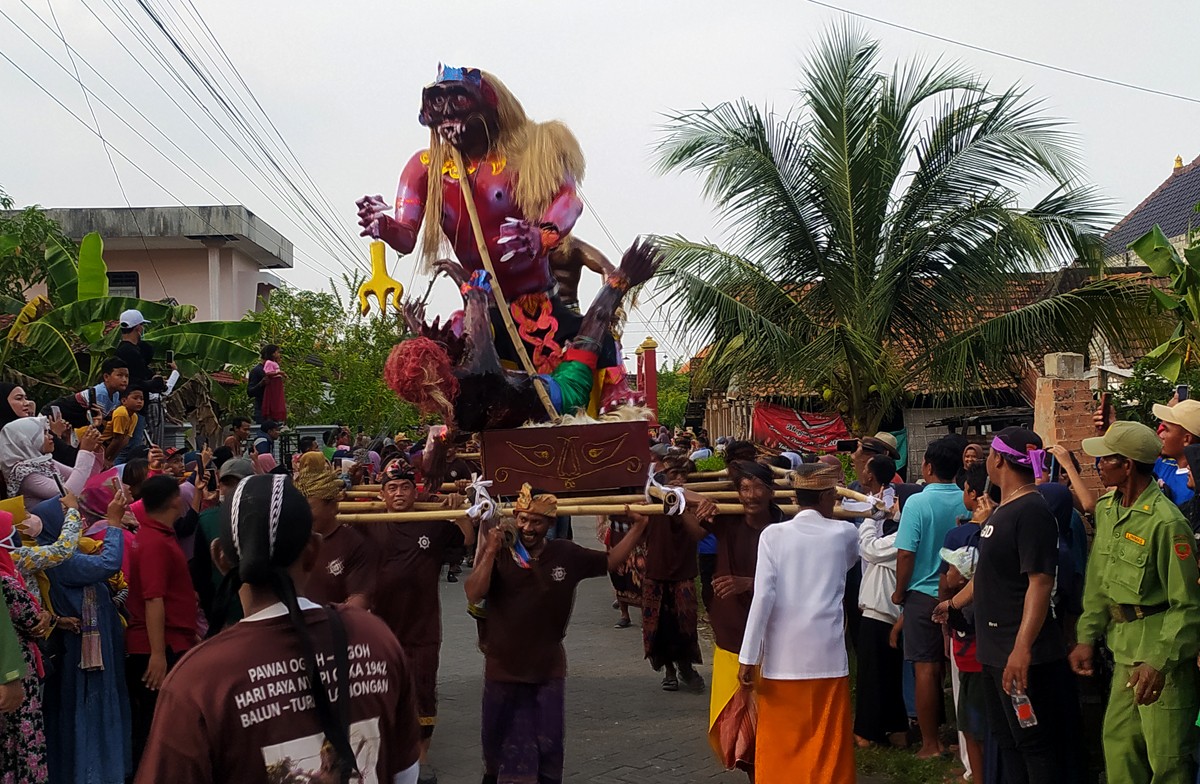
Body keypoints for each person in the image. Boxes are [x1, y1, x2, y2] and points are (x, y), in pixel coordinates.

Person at [135, 473, 422, 783]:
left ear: (221, 559)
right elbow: (405, 774)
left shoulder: (198, 681)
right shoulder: (376, 639)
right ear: (314, 551)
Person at [465, 485, 651, 784]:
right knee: (498, 744)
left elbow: (610, 561)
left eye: (537, 522)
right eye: (523, 520)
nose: (528, 527)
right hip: (502, 666)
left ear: (550, 524)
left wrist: (639, 527)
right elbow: (474, 593)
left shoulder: (566, 553)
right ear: (515, 517)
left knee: (548, 742)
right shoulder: (501, 551)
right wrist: (488, 550)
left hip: (547, 667)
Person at [936, 427, 1082, 783]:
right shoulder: (1002, 511)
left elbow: (1040, 582)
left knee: (1034, 744)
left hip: (1018, 652)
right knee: (1008, 740)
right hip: (993, 649)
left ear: (997, 459)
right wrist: (953, 603)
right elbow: (989, 575)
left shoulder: (1031, 510)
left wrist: (1021, 649)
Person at [1069, 421, 1200, 783]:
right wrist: (1086, 635)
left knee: (1167, 760)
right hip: (1124, 652)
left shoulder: (1167, 524)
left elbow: (1188, 605)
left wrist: (1159, 661)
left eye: (1106, 459)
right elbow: (1099, 580)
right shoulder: (1108, 509)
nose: (1098, 465)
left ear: (1127, 465)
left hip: (1162, 659)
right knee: (1120, 749)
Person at [736, 462, 858, 782]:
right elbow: (850, 560)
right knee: (827, 741)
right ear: (828, 495)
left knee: (782, 741)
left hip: (782, 657)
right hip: (827, 655)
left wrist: (748, 658)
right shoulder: (845, 533)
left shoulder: (773, 535)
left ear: (796, 497)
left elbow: (762, 598)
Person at [360, 460, 474, 783]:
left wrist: (460, 511)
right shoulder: (368, 521)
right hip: (381, 629)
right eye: (392, 488)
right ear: (382, 493)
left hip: (422, 627)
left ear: (415, 491)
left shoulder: (429, 519)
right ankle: (388, 751)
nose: (399, 493)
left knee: (423, 692)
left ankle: (421, 761)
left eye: (405, 487)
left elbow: (466, 539)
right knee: (382, 690)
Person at [689, 460, 784, 772]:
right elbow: (676, 496)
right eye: (744, 488)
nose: (751, 495)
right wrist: (698, 504)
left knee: (772, 725)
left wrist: (750, 583)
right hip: (731, 638)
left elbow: (797, 582)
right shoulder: (728, 520)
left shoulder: (785, 530)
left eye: (758, 487)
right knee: (739, 730)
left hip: (773, 641)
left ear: (771, 492)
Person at [35, 488, 132, 784]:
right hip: (85, 658)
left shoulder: (71, 554)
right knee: (89, 710)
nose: (77, 522)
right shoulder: (62, 560)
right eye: (68, 517)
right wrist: (114, 524)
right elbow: (109, 564)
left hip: (92, 649)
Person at [892, 436, 967, 759]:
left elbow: (906, 554)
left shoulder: (918, 503)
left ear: (928, 466)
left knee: (925, 669)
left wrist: (899, 592)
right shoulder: (967, 500)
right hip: (962, 593)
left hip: (923, 594)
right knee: (962, 670)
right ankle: (966, 740)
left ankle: (930, 743)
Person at [124, 475, 199, 767]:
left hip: (169, 639)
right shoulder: (154, 541)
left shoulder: (158, 534)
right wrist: (157, 654)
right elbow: (153, 599)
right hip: (156, 645)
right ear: (173, 501)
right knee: (158, 726)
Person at [853, 455, 907, 749]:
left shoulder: (901, 539)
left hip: (880, 611)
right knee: (888, 673)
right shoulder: (900, 530)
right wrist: (887, 516)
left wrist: (869, 521)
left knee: (873, 676)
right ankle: (895, 729)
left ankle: (867, 731)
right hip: (885, 610)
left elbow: (869, 549)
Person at [640, 457, 705, 692]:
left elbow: (698, 534)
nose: (678, 479)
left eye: (683, 474)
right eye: (673, 474)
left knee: (685, 624)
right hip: (656, 570)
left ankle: (686, 667)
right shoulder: (651, 498)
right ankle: (668, 671)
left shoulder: (695, 501)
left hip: (683, 572)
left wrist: (681, 504)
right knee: (658, 625)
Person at [0, 507, 54, 783]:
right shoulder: (6, 580)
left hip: (14, 668)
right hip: (14, 671)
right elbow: (31, 618)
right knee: (21, 739)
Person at [293, 463, 375, 609]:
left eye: (309, 507)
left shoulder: (354, 544)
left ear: (332, 506)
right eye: (298, 507)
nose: (302, 514)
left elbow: (359, 599)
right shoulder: (290, 541)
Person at [0, 416, 103, 513]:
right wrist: (84, 451)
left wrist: (95, 451)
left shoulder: (44, 462)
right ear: (26, 441)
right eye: (44, 433)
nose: (51, 437)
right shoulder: (25, 473)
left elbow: (87, 478)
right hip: (50, 528)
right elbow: (67, 495)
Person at [101, 385, 145, 465]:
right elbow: (117, 439)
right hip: (100, 442)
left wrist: (111, 460)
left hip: (108, 445)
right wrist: (105, 459)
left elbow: (125, 440)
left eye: (141, 399)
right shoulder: (122, 413)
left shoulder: (134, 416)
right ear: (124, 401)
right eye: (135, 398)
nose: (139, 401)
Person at [260, 345, 288, 423]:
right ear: (272, 353)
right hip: (273, 384)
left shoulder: (274, 362)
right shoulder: (268, 362)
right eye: (277, 352)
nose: (278, 354)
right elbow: (267, 372)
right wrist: (278, 372)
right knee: (274, 400)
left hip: (277, 383)